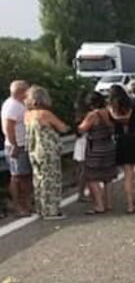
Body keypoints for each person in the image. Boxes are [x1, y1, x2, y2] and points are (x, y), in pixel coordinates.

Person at [24, 86, 69, 220]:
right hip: (47, 151)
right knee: (51, 180)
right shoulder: (45, 114)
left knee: (38, 180)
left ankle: (40, 208)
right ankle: (51, 210)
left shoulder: (27, 115)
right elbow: (62, 128)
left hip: (33, 150)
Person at [108, 86, 135, 214]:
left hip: (123, 142)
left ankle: (130, 206)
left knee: (128, 176)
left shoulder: (111, 111)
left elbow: (110, 128)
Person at [78, 93, 117, 215]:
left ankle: (99, 206)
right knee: (108, 177)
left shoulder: (93, 115)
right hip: (109, 147)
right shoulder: (109, 112)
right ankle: (109, 204)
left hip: (95, 149)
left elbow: (82, 129)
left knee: (92, 177)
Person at [2, 80, 33, 217]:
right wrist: (14, 145)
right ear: (20, 91)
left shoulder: (20, 104)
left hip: (23, 144)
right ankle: (17, 205)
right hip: (16, 145)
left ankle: (26, 203)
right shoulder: (12, 106)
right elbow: (8, 128)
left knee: (25, 176)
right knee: (17, 177)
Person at [72, 93, 91, 203]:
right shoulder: (86, 115)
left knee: (81, 169)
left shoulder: (77, 114)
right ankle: (81, 193)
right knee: (85, 170)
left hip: (79, 143)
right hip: (85, 142)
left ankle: (81, 192)